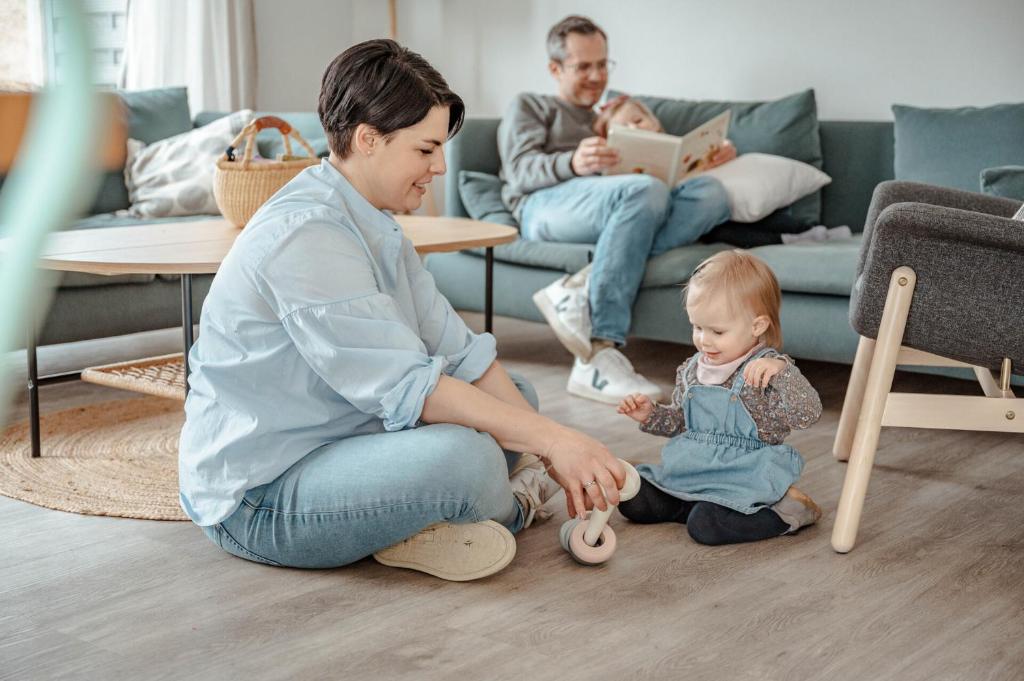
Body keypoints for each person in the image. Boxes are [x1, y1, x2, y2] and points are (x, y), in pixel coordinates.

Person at [178, 39, 628, 582]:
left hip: (343, 437)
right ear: (369, 139)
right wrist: (554, 442)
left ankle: (424, 523)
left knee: (521, 401)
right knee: (470, 457)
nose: (440, 165)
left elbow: (460, 355)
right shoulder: (306, 236)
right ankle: (513, 505)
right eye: (425, 149)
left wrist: (550, 443)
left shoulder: (373, 222)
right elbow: (412, 387)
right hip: (260, 495)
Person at [498, 15, 736, 406]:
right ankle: (598, 348)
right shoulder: (532, 106)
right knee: (644, 191)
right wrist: (572, 163)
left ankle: (583, 286)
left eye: (602, 64)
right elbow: (519, 171)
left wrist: (701, 161)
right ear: (555, 69)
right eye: (583, 66)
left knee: (711, 193)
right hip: (544, 206)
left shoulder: (613, 114)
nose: (596, 75)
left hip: (624, 206)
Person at [616, 250, 823, 545]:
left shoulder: (767, 372)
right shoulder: (690, 370)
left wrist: (782, 371)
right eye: (697, 327)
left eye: (717, 331)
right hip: (694, 469)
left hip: (743, 475)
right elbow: (681, 424)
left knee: (706, 527)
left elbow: (808, 414)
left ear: (757, 326)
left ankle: (786, 512)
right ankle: (686, 502)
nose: (704, 340)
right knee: (634, 497)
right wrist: (650, 415)